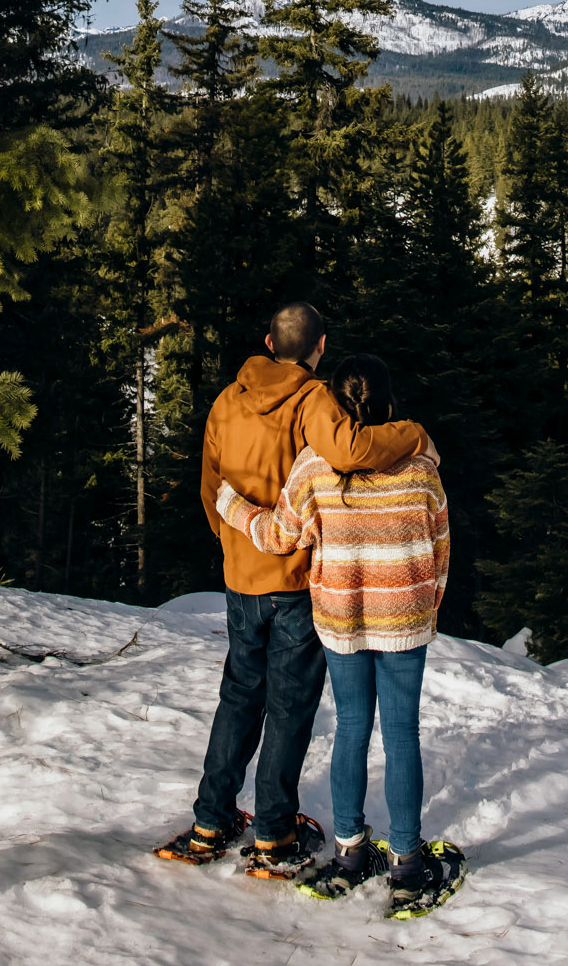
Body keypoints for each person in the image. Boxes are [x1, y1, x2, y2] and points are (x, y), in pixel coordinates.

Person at [153, 302, 429, 880]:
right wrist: (409, 432)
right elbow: (352, 452)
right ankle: (274, 835)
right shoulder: (312, 400)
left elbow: (211, 488)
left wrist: (236, 550)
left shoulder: (228, 401)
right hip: (297, 579)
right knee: (288, 707)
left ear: (266, 341)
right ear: (319, 346)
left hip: (241, 574)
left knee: (238, 696)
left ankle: (211, 819)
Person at [214, 352, 464, 914]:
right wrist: (425, 606)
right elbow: (441, 549)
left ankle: (351, 852)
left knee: (351, 727)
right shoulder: (423, 470)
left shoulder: (312, 467)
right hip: (404, 617)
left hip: (340, 618)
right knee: (401, 733)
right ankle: (406, 860)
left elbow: (280, 537)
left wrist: (231, 505)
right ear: (389, 402)